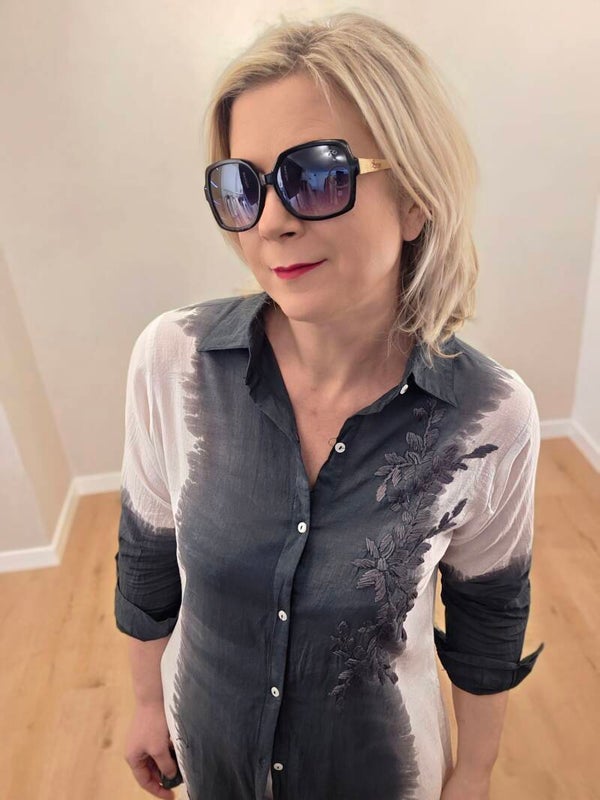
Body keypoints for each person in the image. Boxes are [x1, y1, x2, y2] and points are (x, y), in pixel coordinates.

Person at [114, 10, 545, 800]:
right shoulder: (174, 362)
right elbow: (148, 557)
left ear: (414, 197)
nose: (272, 222)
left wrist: (476, 772)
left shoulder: (490, 417)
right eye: (242, 187)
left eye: (316, 176)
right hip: (212, 764)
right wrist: (146, 701)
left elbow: (487, 616)